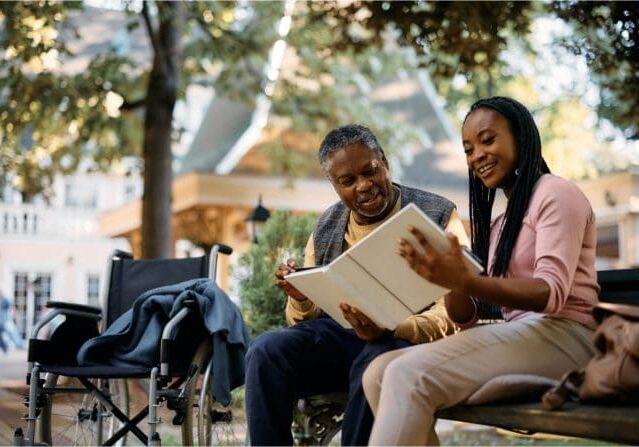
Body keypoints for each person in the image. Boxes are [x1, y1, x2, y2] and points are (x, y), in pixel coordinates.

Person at [362, 96, 600, 445]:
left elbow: (551, 293)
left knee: (405, 374)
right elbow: (466, 317)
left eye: (488, 140)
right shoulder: (501, 224)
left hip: (568, 337)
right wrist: (448, 281)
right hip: (526, 336)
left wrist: (466, 279)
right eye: (469, 150)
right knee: (378, 373)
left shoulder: (556, 193)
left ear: (521, 136)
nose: (477, 157)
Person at [244, 124, 470, 445]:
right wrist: (302, 297)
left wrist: (393, 329)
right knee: (266, 351)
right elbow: (300, 322)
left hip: (404, 343)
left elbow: (453, 315)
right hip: (344, 341)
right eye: (348, 181)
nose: (364, 186)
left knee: (374, 360)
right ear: (334, 185)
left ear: (385, 162)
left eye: (370, 171)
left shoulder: (437, 214)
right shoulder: (326, 225)